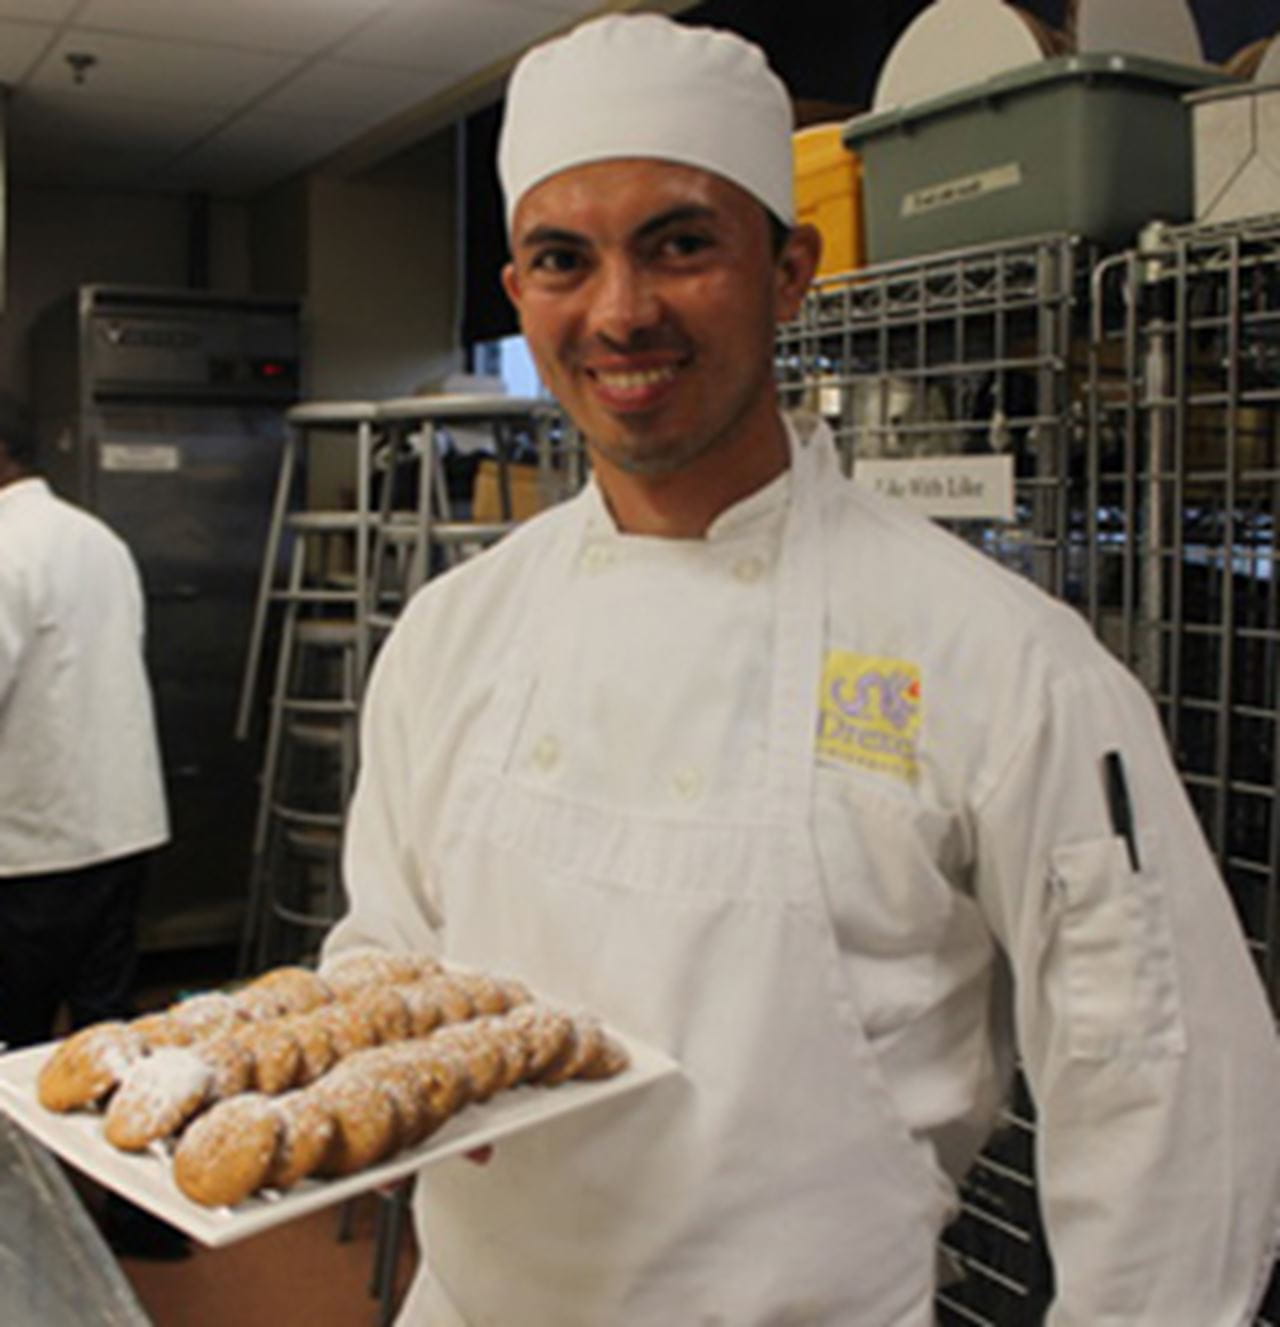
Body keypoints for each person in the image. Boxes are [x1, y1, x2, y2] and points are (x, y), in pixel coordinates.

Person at [326, 15, 1280, 1326]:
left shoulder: (1000, 659)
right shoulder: (450, 632)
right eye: (566, 259)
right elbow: (385, 947)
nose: (621, 312)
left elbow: (1168, 1086)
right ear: (520, 296)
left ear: (789, 273)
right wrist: (398, 1072)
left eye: (680, 243)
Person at [0, 394, 183, 1257]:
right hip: (122, 824)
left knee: (16, 1046)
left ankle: (28, 1239)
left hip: (34, 843)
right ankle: (143, 1216)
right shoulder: (94, 537)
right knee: (110, 1023)